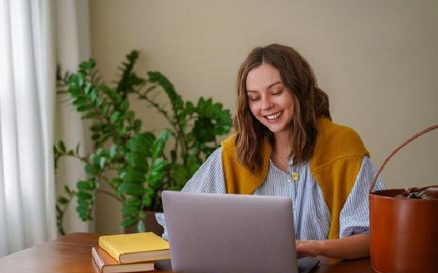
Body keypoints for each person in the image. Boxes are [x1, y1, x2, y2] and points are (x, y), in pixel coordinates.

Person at [160, 44, 384, 259]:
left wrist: (318, 248)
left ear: (300, 90)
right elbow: (178, 225)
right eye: (254, 98)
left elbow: (374, 237)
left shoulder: (343, 146)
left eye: (276, 92)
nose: (265, 105)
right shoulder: (233, 153)